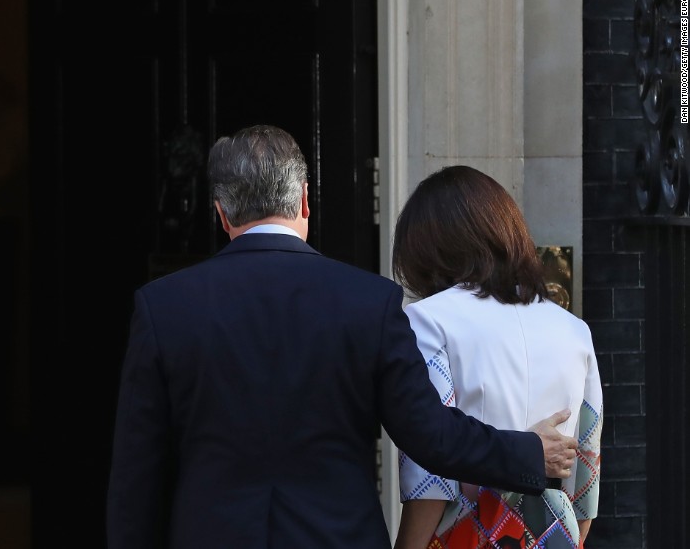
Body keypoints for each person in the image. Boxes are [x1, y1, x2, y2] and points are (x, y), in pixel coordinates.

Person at [105, 125, 579, 549]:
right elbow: (431, 434)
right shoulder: (368, 301)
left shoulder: (163, 307)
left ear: (221, 214)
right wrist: (528, 450)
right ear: (306, 200)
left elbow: (136, 477)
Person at [390, 165, 602, 549]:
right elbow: (586, 472)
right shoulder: (574, 330)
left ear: (427, 248)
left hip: (468, 531)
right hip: (554, 532)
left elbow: (430, 477)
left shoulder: (425, 321)